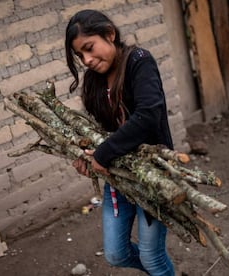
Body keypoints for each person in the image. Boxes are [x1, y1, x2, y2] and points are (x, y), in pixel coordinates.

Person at [65, 9, 175, 275]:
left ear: (110, 34)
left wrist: (103, 153)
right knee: (116, 253)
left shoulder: (139, 61)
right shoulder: (93, 81)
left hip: (152, 175)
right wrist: (86, 156)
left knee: (151, 256)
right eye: (80, 55)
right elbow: (98, 133)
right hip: (117, 177)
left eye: (89, 48)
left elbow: (149, 114)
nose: (87, 59)